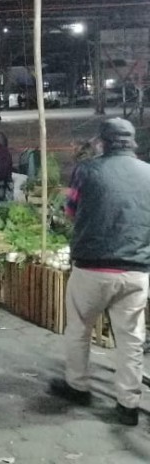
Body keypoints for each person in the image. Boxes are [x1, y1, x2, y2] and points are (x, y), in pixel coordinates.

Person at [50, 118, 150, 426]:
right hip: (136, 270)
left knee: (79, 328)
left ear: (102, 142)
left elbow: (69, 211)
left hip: (92, 267)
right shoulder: (148, 173)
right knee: (131, 339)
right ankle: (128, 403)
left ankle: (78, 386)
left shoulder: (87, 171)